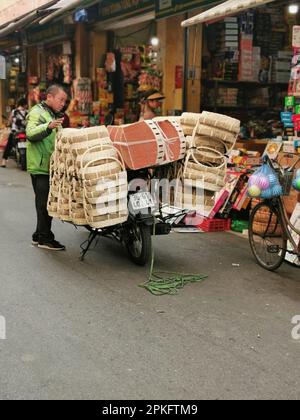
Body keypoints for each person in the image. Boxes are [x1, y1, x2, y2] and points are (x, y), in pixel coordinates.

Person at [26, 84, 67, 251]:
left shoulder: (52, 114)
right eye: (60, 99)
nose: (63, 103)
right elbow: (30, 133)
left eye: (64, 101)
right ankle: (45, 238)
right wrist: (48, 127)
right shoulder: (37, 112)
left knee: (45, 203)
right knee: (44, 204)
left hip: (49, 166)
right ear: (49, 97)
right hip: (40, 166)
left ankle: (38, 235)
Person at [1, 98, 28, 168]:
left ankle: (4, 161)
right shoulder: (27, 112)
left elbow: (10, 121)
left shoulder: (14, 111)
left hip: (15, 131)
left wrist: (8, 124)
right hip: (25, 132)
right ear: (25, 104)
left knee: (9, 145)